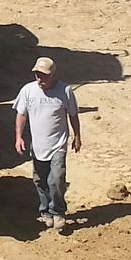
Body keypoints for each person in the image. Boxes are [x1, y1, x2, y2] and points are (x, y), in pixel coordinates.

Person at [15, 56, 82, 231]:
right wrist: (19, 137)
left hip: (58, 144)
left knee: (57, 178)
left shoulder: (65, 91)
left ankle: (58, 212)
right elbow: (21, 115)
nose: (39, 78)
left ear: (52, 75)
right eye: (36, 74)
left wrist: (77, 136)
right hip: (38, 145)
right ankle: (45, 211)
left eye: (43, 75)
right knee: (40, 180)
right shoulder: (28, 91)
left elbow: (73, 115)